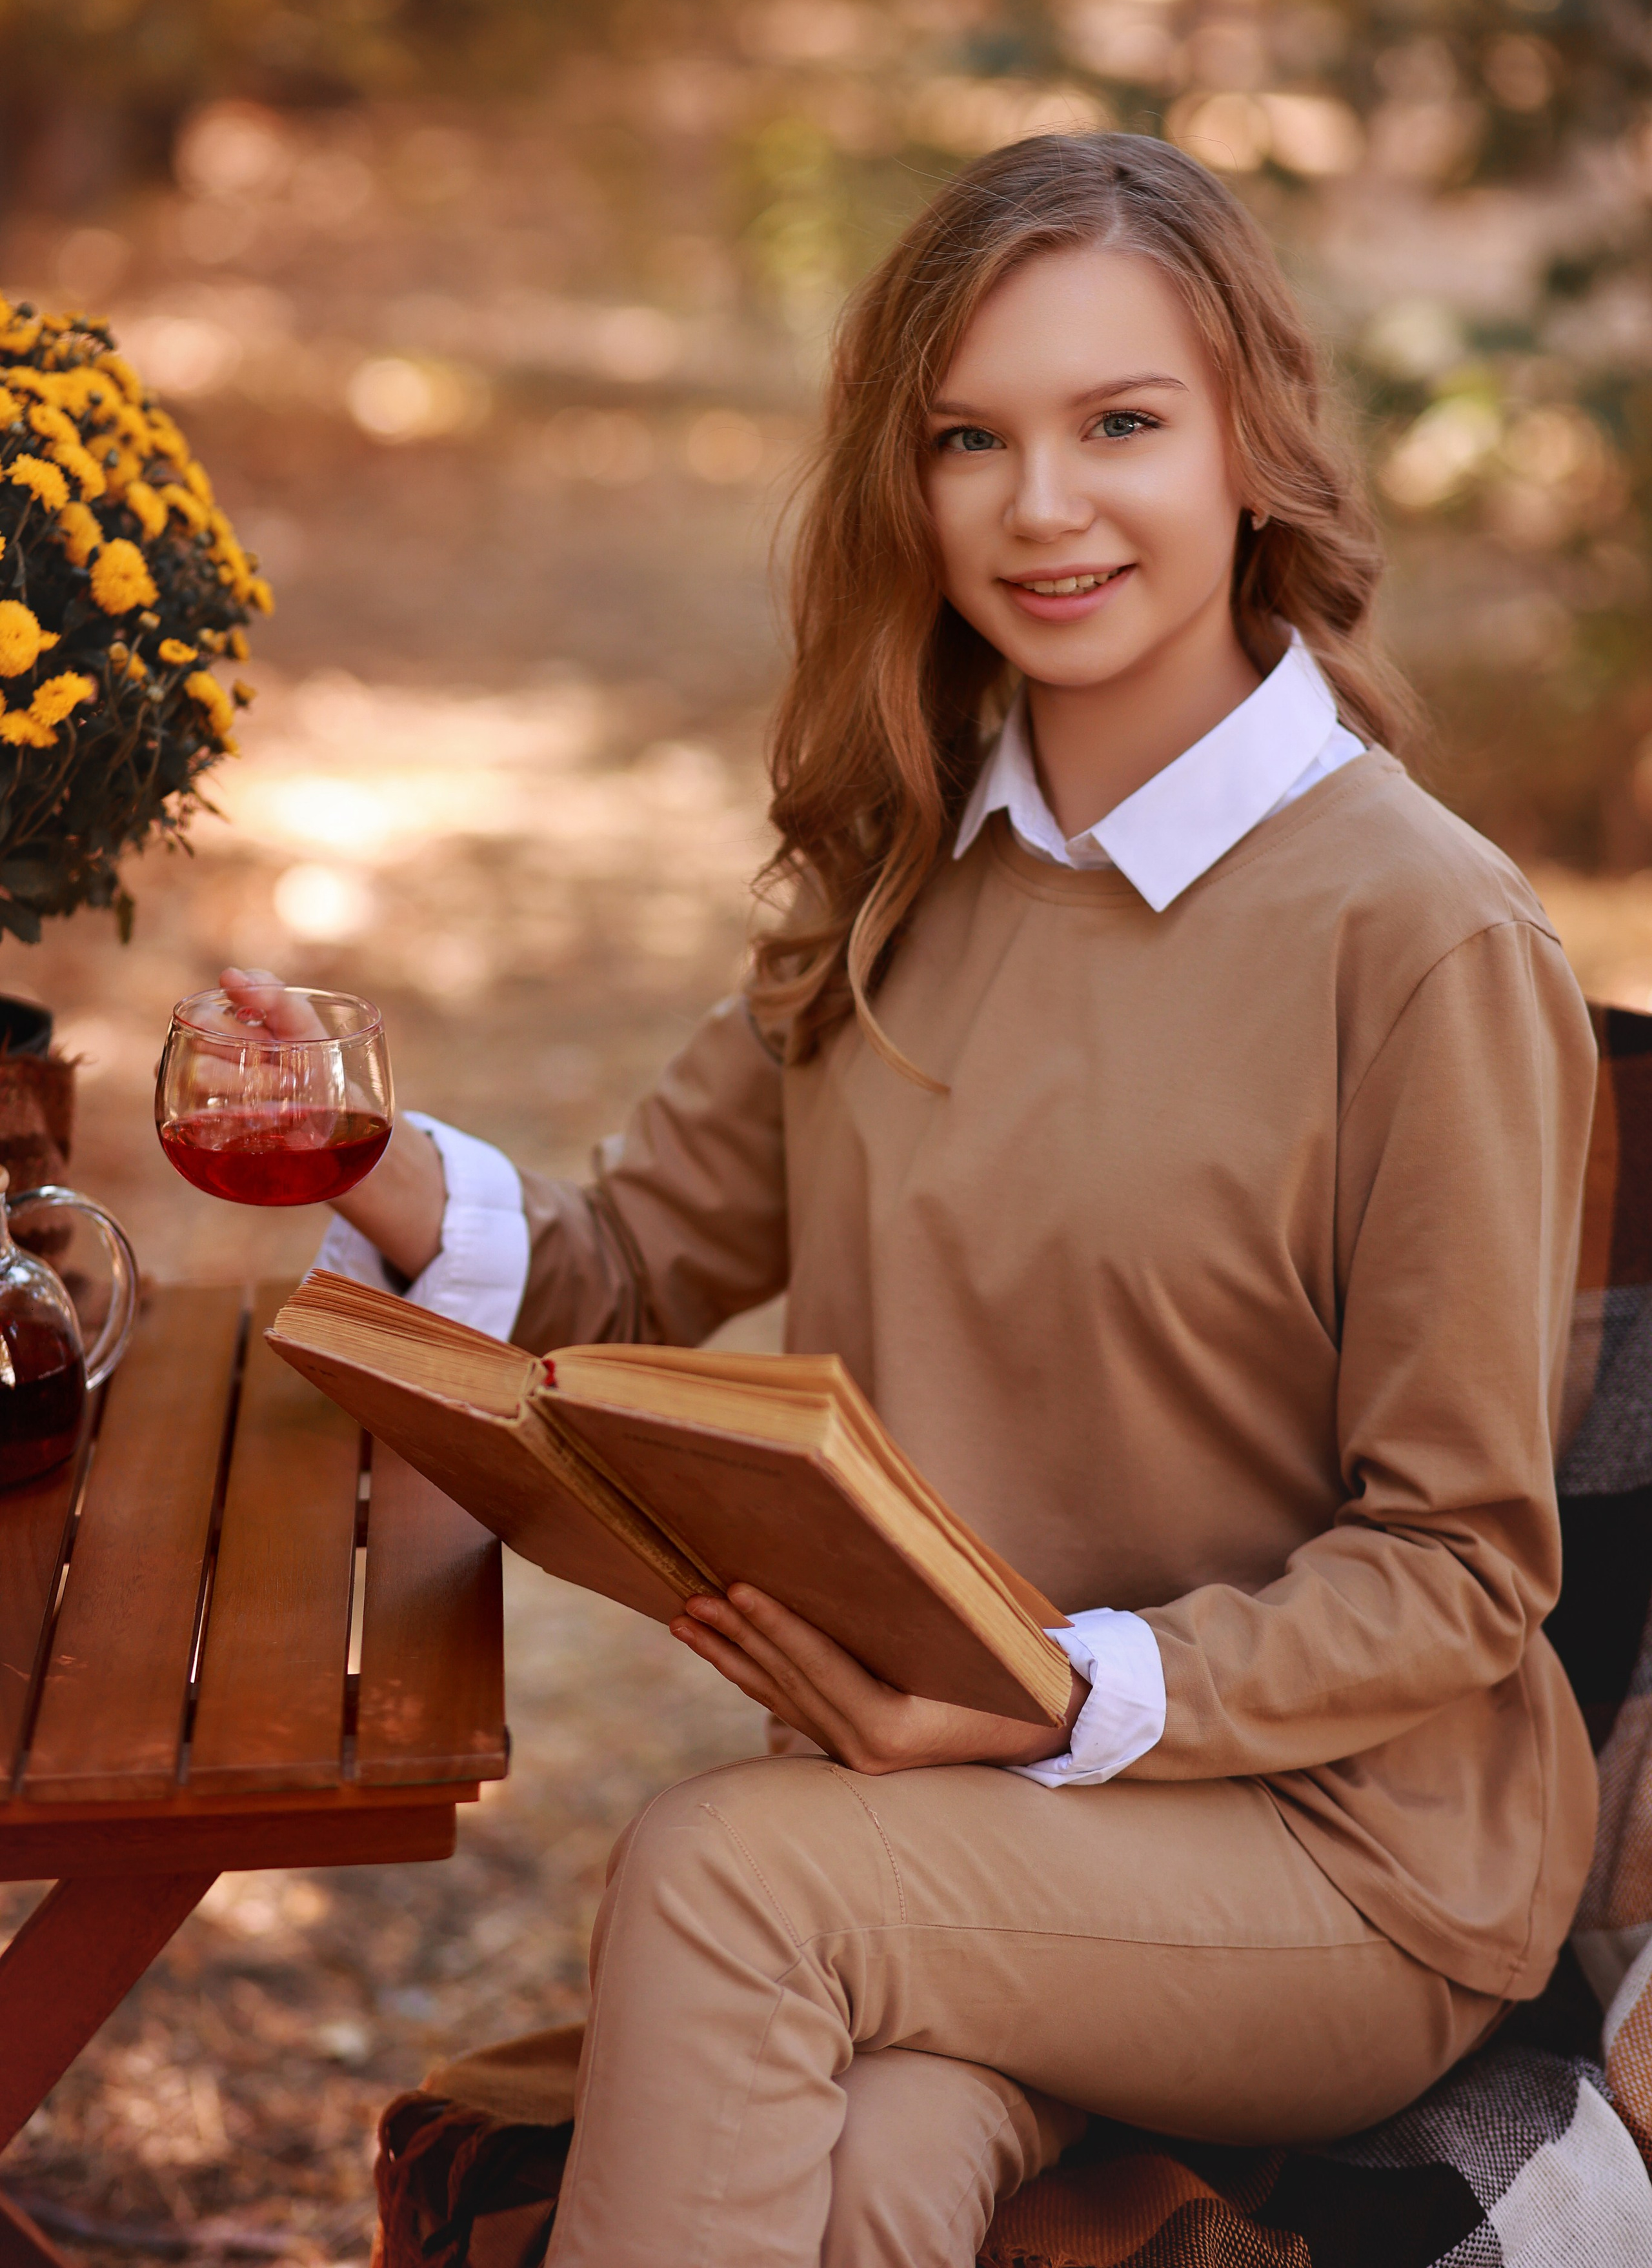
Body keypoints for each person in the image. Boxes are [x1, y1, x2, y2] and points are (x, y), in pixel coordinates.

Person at [223, 132, 1599, 2268]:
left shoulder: (1420, 935)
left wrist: (1063, 1692)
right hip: (964, 1839)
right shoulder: (906, 879)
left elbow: (1460, 1567)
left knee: (723, 1874)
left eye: (1119, 424)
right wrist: (366, 1161)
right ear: (909, 485)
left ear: (1252, 446)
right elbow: (611, 1270)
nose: (1042, 508)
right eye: (972, 440)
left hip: (1333, 1867)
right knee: (856, 2178)